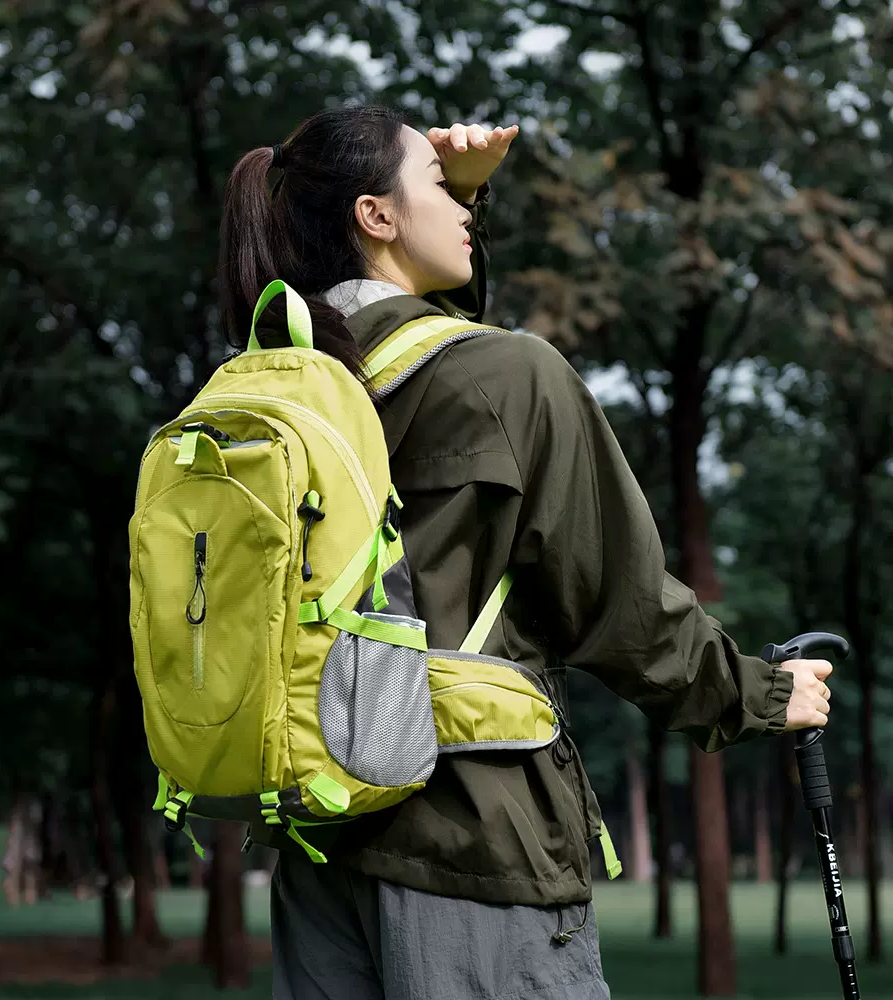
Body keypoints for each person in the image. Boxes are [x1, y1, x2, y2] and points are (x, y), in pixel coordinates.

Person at [217, 106, 835, 1000]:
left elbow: (419, 358)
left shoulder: (283, 383)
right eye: (440, 185)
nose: (468, 208)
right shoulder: (509, 376)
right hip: (471, 840)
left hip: (322, 841)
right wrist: (763, 695)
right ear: (375, 215)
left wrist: (447, 197)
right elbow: (619, 606)